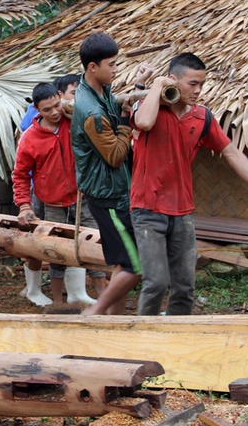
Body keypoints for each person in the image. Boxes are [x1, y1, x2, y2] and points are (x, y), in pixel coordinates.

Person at [130, 52, 248, 315]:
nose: (199, 90)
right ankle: (145, 340)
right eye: (192, 83)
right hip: (147, 209)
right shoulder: (150, 106)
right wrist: (156, 86)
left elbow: (231, 153)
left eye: (202, 83)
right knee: (155, 283)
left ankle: (180, 338)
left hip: (183, 212)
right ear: (173, 80)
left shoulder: (203, 117)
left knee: (184, 286)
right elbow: (143, 122)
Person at [71, 32, 153, 315]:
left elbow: (115, 113)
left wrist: (139, 86)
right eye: (112, 64)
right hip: (110, 197)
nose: (116, 70)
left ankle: (112, 321)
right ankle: (95, 311)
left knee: (121, 263)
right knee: (138, 265)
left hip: (113, 192)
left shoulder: (100, 90)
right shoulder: (90, 110)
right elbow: (116, 156)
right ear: (93, 67)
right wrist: (126, 125)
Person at [12, 82, 96, 307]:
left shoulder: (73, 122)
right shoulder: (30, 138)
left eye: (57, 105)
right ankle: (49, 297)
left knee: (81, 244)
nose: (55, 112)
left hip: (80, 197)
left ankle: (77, 293)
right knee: (52, 250)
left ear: (61, 98)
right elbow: (20, 175)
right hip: (50, 201)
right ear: (37, 111)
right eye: (47, 110)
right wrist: (24, 205)